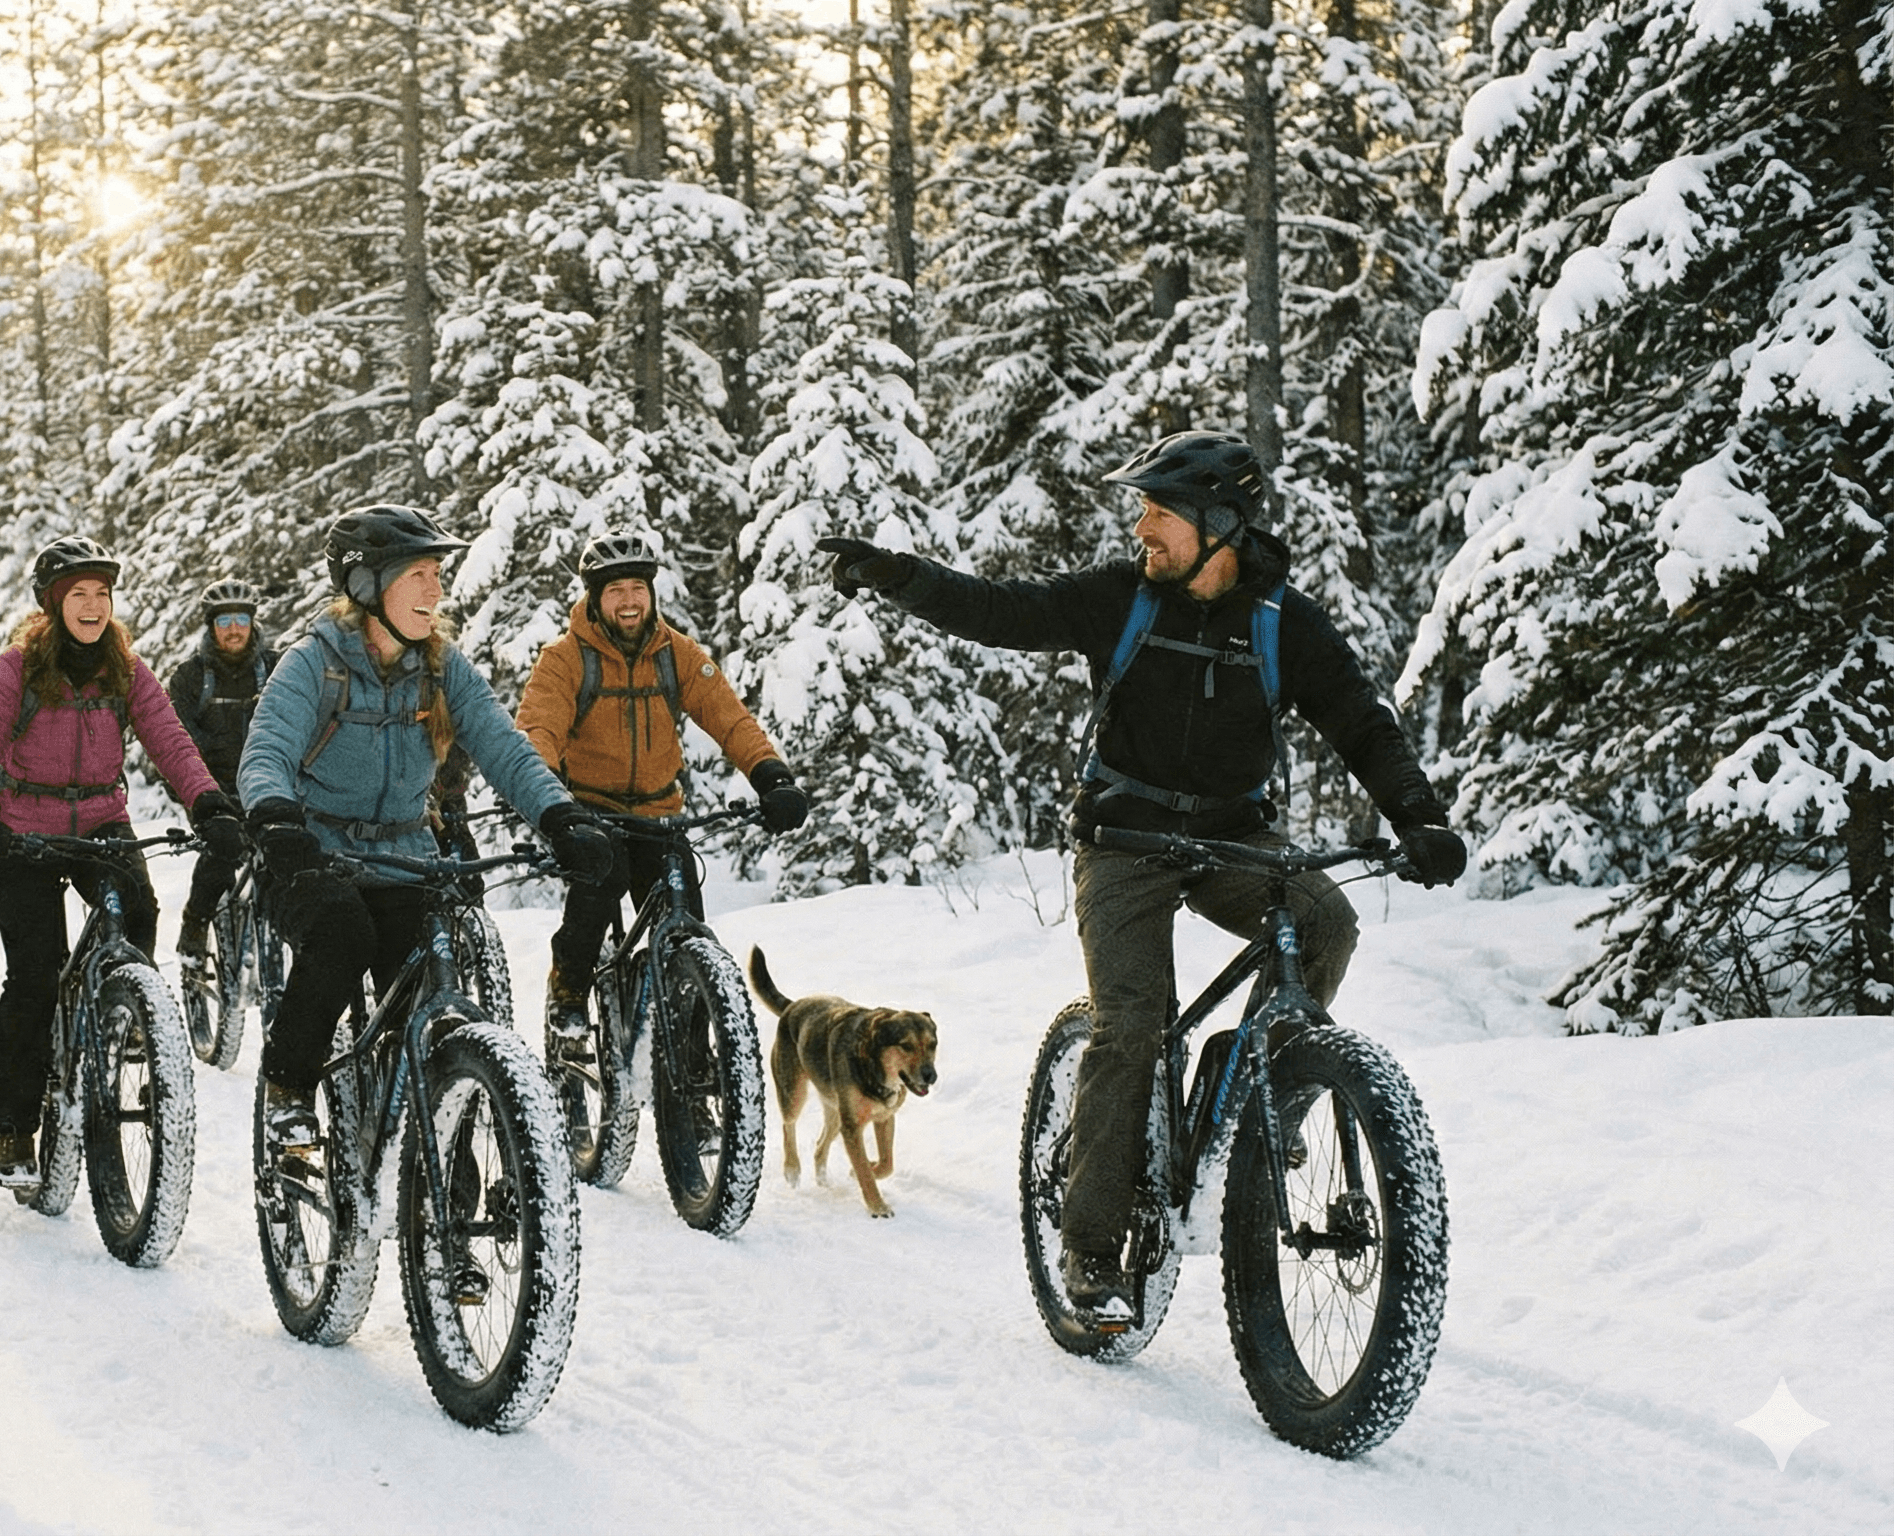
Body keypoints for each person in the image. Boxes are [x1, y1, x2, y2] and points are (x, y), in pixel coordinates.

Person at [816, 429, 1469, 1322]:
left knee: (1326, 923)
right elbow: (1001, 611)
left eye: (1159, 512)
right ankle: (1091, 1246)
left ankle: (1263, 1091)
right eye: (1144, 510)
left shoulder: (1283, 622)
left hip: (1237, 838)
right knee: (1133, 1026)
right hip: (1123, 840)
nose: (1142, 526)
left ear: (1219, 526)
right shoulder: (1122, 599)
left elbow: (1362, 722)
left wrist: (1419, 818)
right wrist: (896, 574)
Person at [235, 505, 619, 1148]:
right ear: (368, 585)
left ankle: (443, 1185)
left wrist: (561, 817)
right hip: (310, 857)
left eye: (436, 573)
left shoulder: (441, 666)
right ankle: (289, 1085)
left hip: (406, 859)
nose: (436, 590)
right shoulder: (311, 663)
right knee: (341, 935)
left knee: (422, 989)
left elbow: (505, 747)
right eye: (419, 574)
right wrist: (276, 819)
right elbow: (267, 749)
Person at [0, 538, 242, 1190]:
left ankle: (117, 1017)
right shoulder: (18, 668)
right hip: (23, 829)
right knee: (35, 975)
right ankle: (15, 1126)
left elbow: (170, 739)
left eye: (101, 594)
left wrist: (209, 804)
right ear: (54, 605)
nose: (92, 604)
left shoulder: (125, 669)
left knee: (138, 909)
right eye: (78, 594)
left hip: (102, 822)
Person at [515, 531, 815, 1038]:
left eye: (637, 588)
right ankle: (568, 987)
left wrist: (772, 777)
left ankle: (695, 1048)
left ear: (652, 593)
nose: (629, 601)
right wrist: (544, 800)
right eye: (615, 591)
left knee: (687, 928)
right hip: (591, 813)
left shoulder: (677, 654)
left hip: (660, 813)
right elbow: (539, 729)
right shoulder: (565, 658)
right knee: (599, 887)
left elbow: (730, 719)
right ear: (594, 597)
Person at [164, 577, 276, 966]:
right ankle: (196, 921)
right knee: (223, 848)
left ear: (253, 623)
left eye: (241, 619)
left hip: (269, 784)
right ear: (211, 626)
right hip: (210, 788)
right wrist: (199, 795)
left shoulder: (275, 669)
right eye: (224, 620)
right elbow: (176, 742)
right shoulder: (192, 677)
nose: (233, 629)